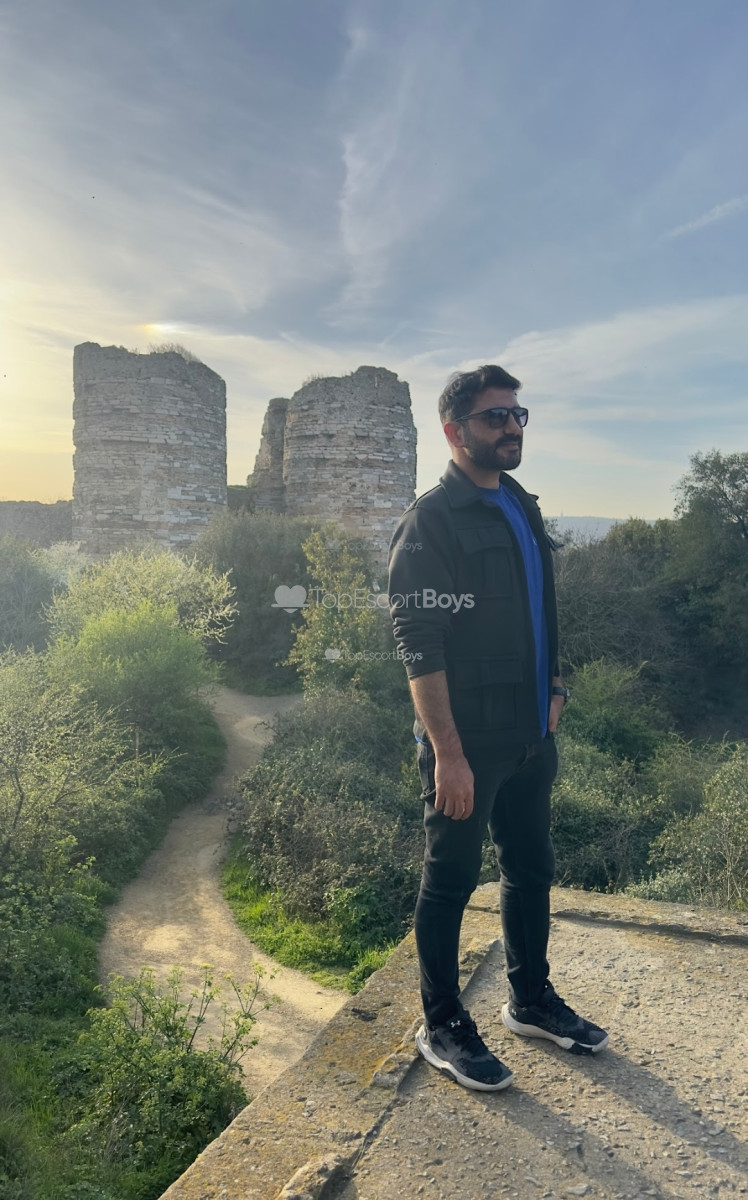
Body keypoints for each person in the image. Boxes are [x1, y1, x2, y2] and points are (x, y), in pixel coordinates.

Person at [387, 364, 608, 1092]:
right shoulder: (431, 522)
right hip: (467, 744)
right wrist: (447, 755)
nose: (512, 427)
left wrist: (556, 685)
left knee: (530, 869)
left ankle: (530, 1000)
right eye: (495, 417)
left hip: (530, 737)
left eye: (518, 415)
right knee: (450, 882)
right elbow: (419, 645)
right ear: (454, 431)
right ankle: (442, 1024)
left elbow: (542, 607)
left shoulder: (520, 503)